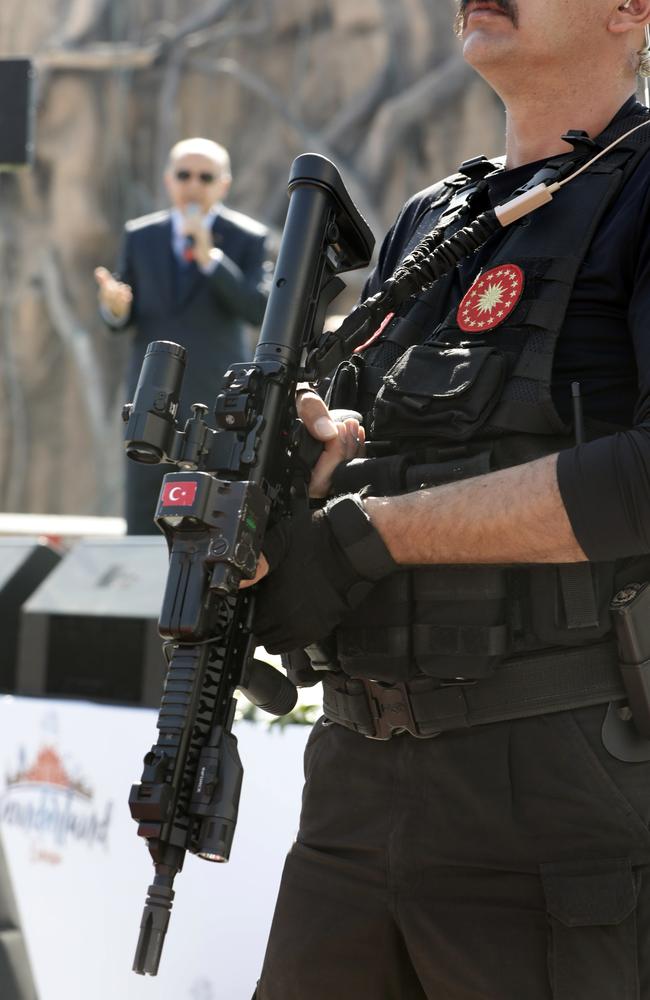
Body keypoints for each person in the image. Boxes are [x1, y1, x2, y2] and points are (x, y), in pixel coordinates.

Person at [249, 1, 650, 997]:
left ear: (628, 9)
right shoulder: (431, 221)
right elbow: (349, 450)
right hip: (353, 779)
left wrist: (371, 536)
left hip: (556, 785)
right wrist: (292, 487)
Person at [95, 138, 271, 534]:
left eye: (205, 176)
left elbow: (258, 309)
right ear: (168, 180)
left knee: (212, 503)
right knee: (144, 500)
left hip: (218, 393)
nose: (193, 184)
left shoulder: (246, 237)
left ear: (223, 184)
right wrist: (115, 308)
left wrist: (212, 259)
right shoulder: (141, 236)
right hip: (151, 392)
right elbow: (123, 313)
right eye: (184, 175)